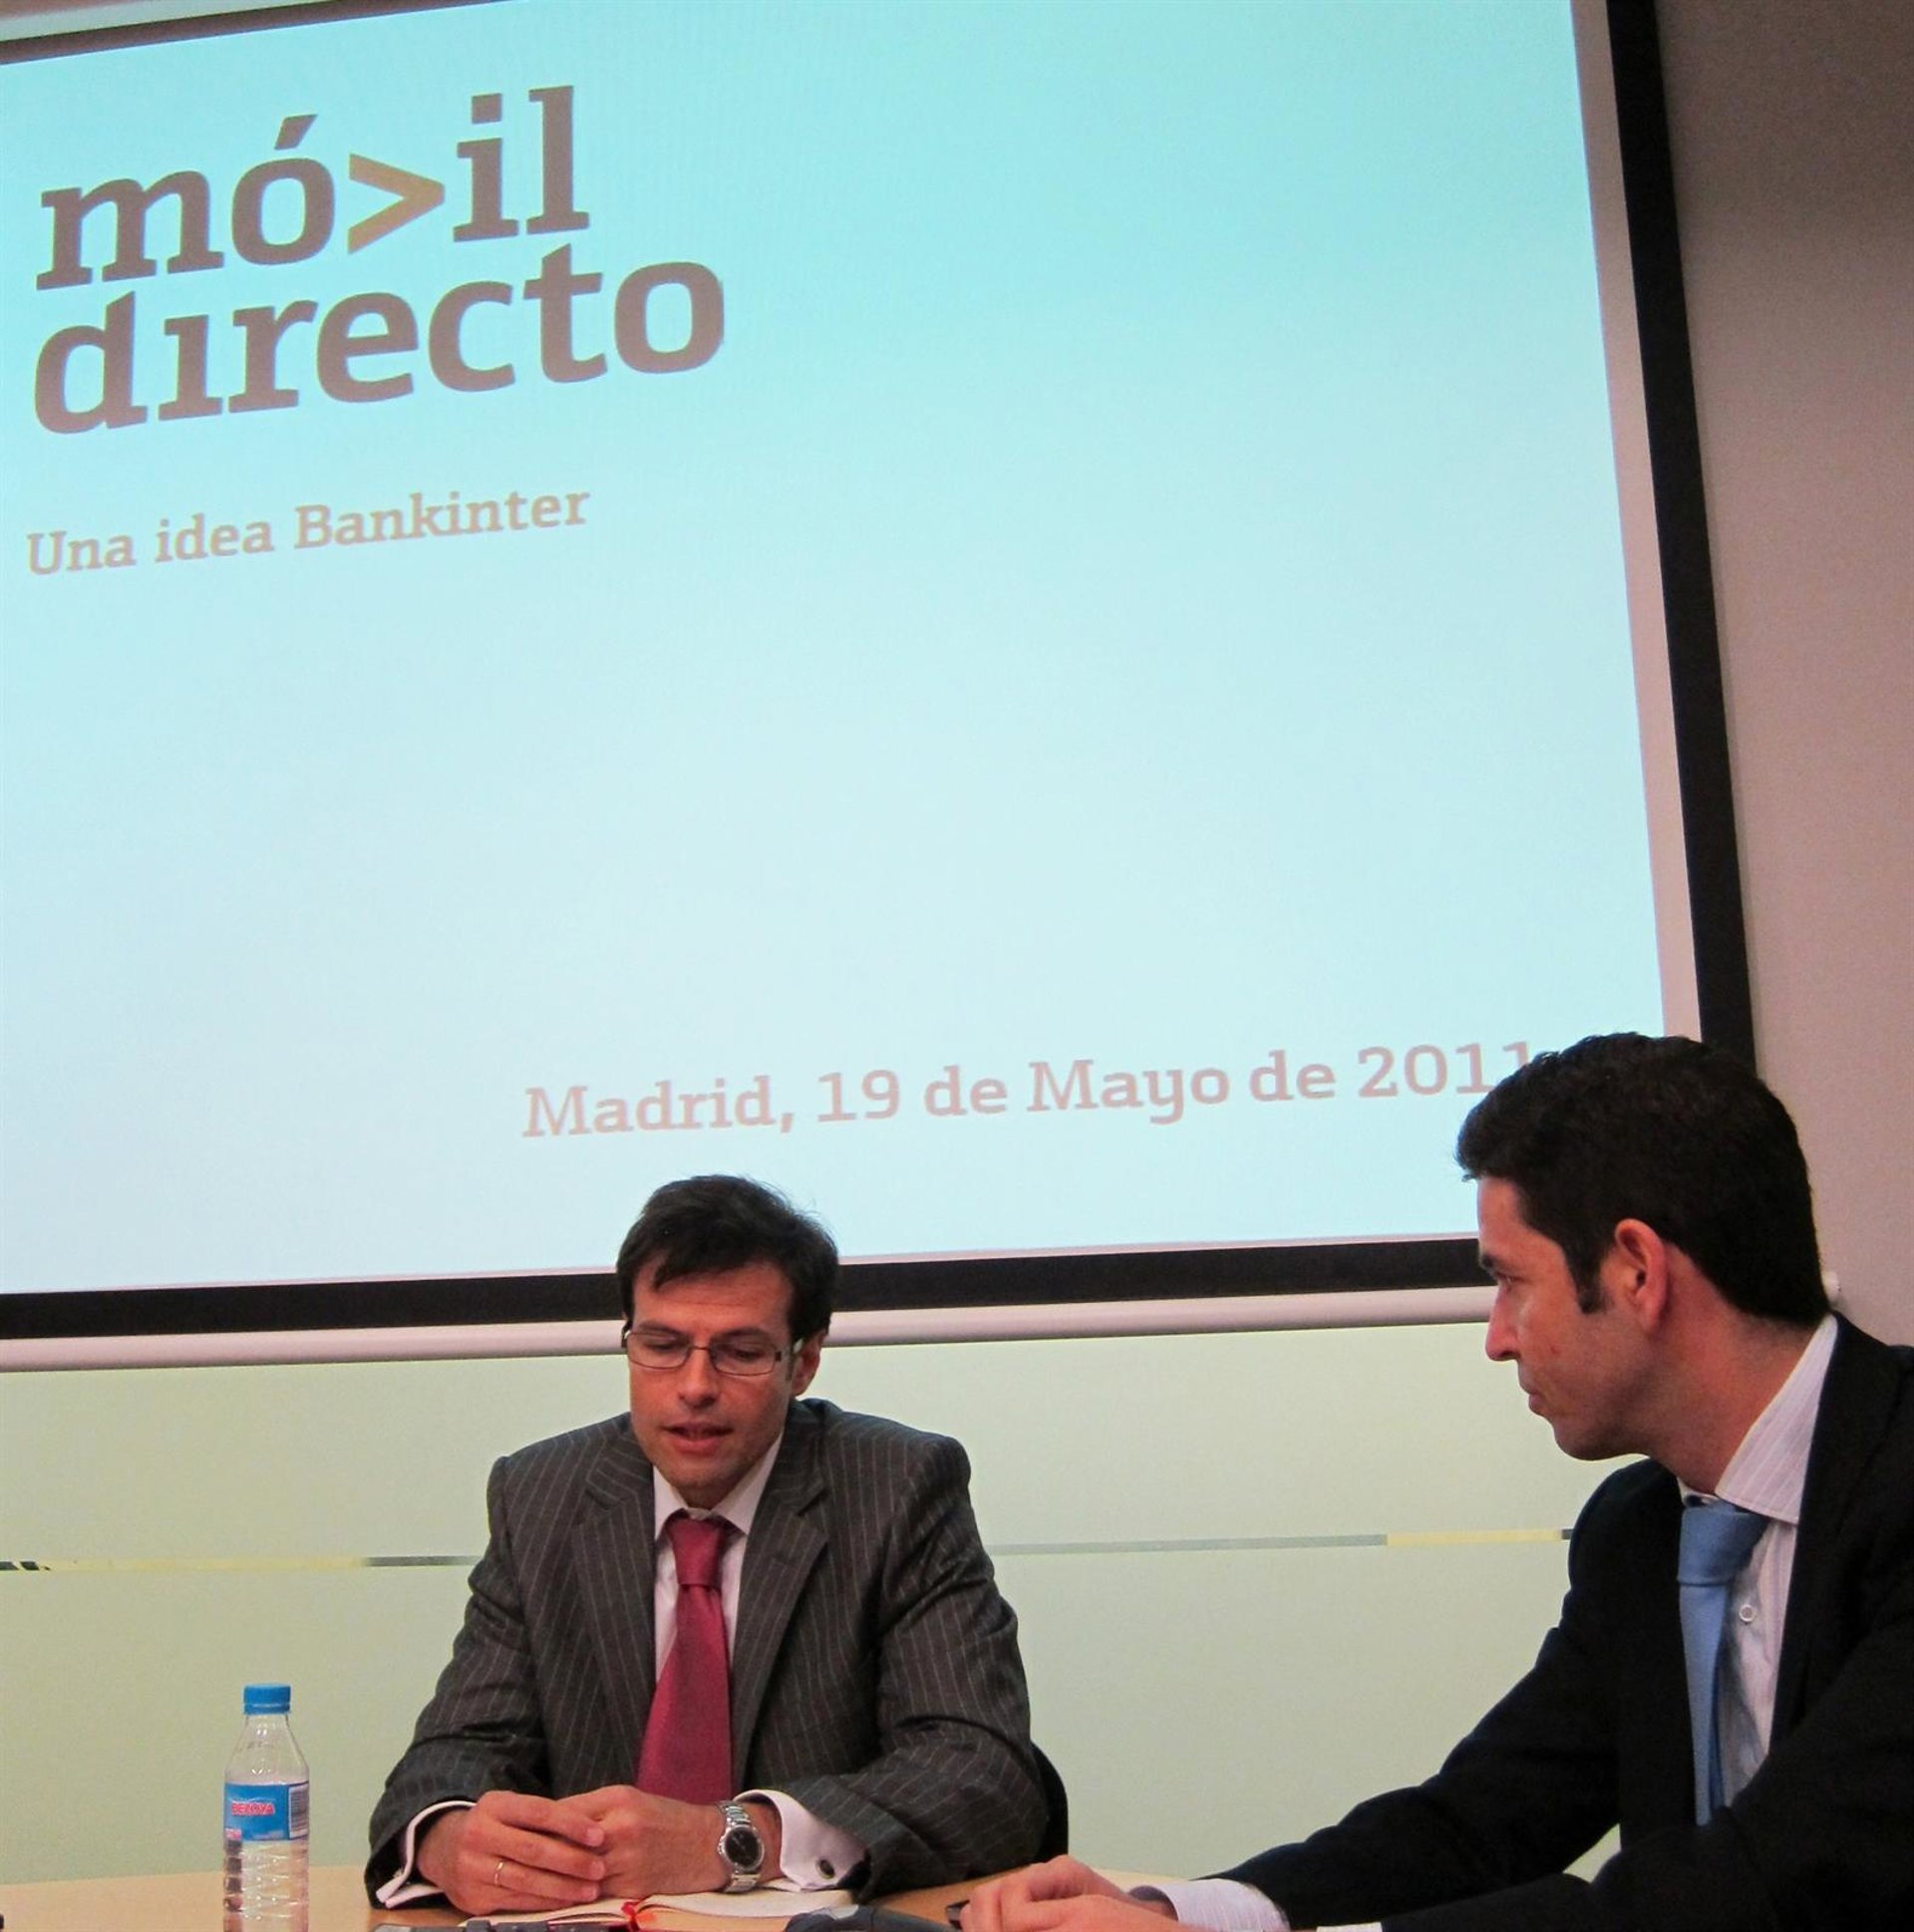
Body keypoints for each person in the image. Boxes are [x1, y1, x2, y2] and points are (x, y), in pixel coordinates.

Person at [965, 1033, 1913, 1932]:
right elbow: (1483, 1823)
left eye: (1511, 1282)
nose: (1497, 1338)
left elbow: (1776, 1880)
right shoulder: (1640, 1527)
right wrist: (1181, 1912)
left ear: (1636, 1270)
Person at [368, 1173, 1047, 1916]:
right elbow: (452, 1756)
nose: (694, 1386)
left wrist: (732, 1839)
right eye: (661, 1346)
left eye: (740, 1352)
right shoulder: (541, 1496)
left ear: (804, 1361)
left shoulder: (896, 1488)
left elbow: (982, 1773)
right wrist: (448, 1839)